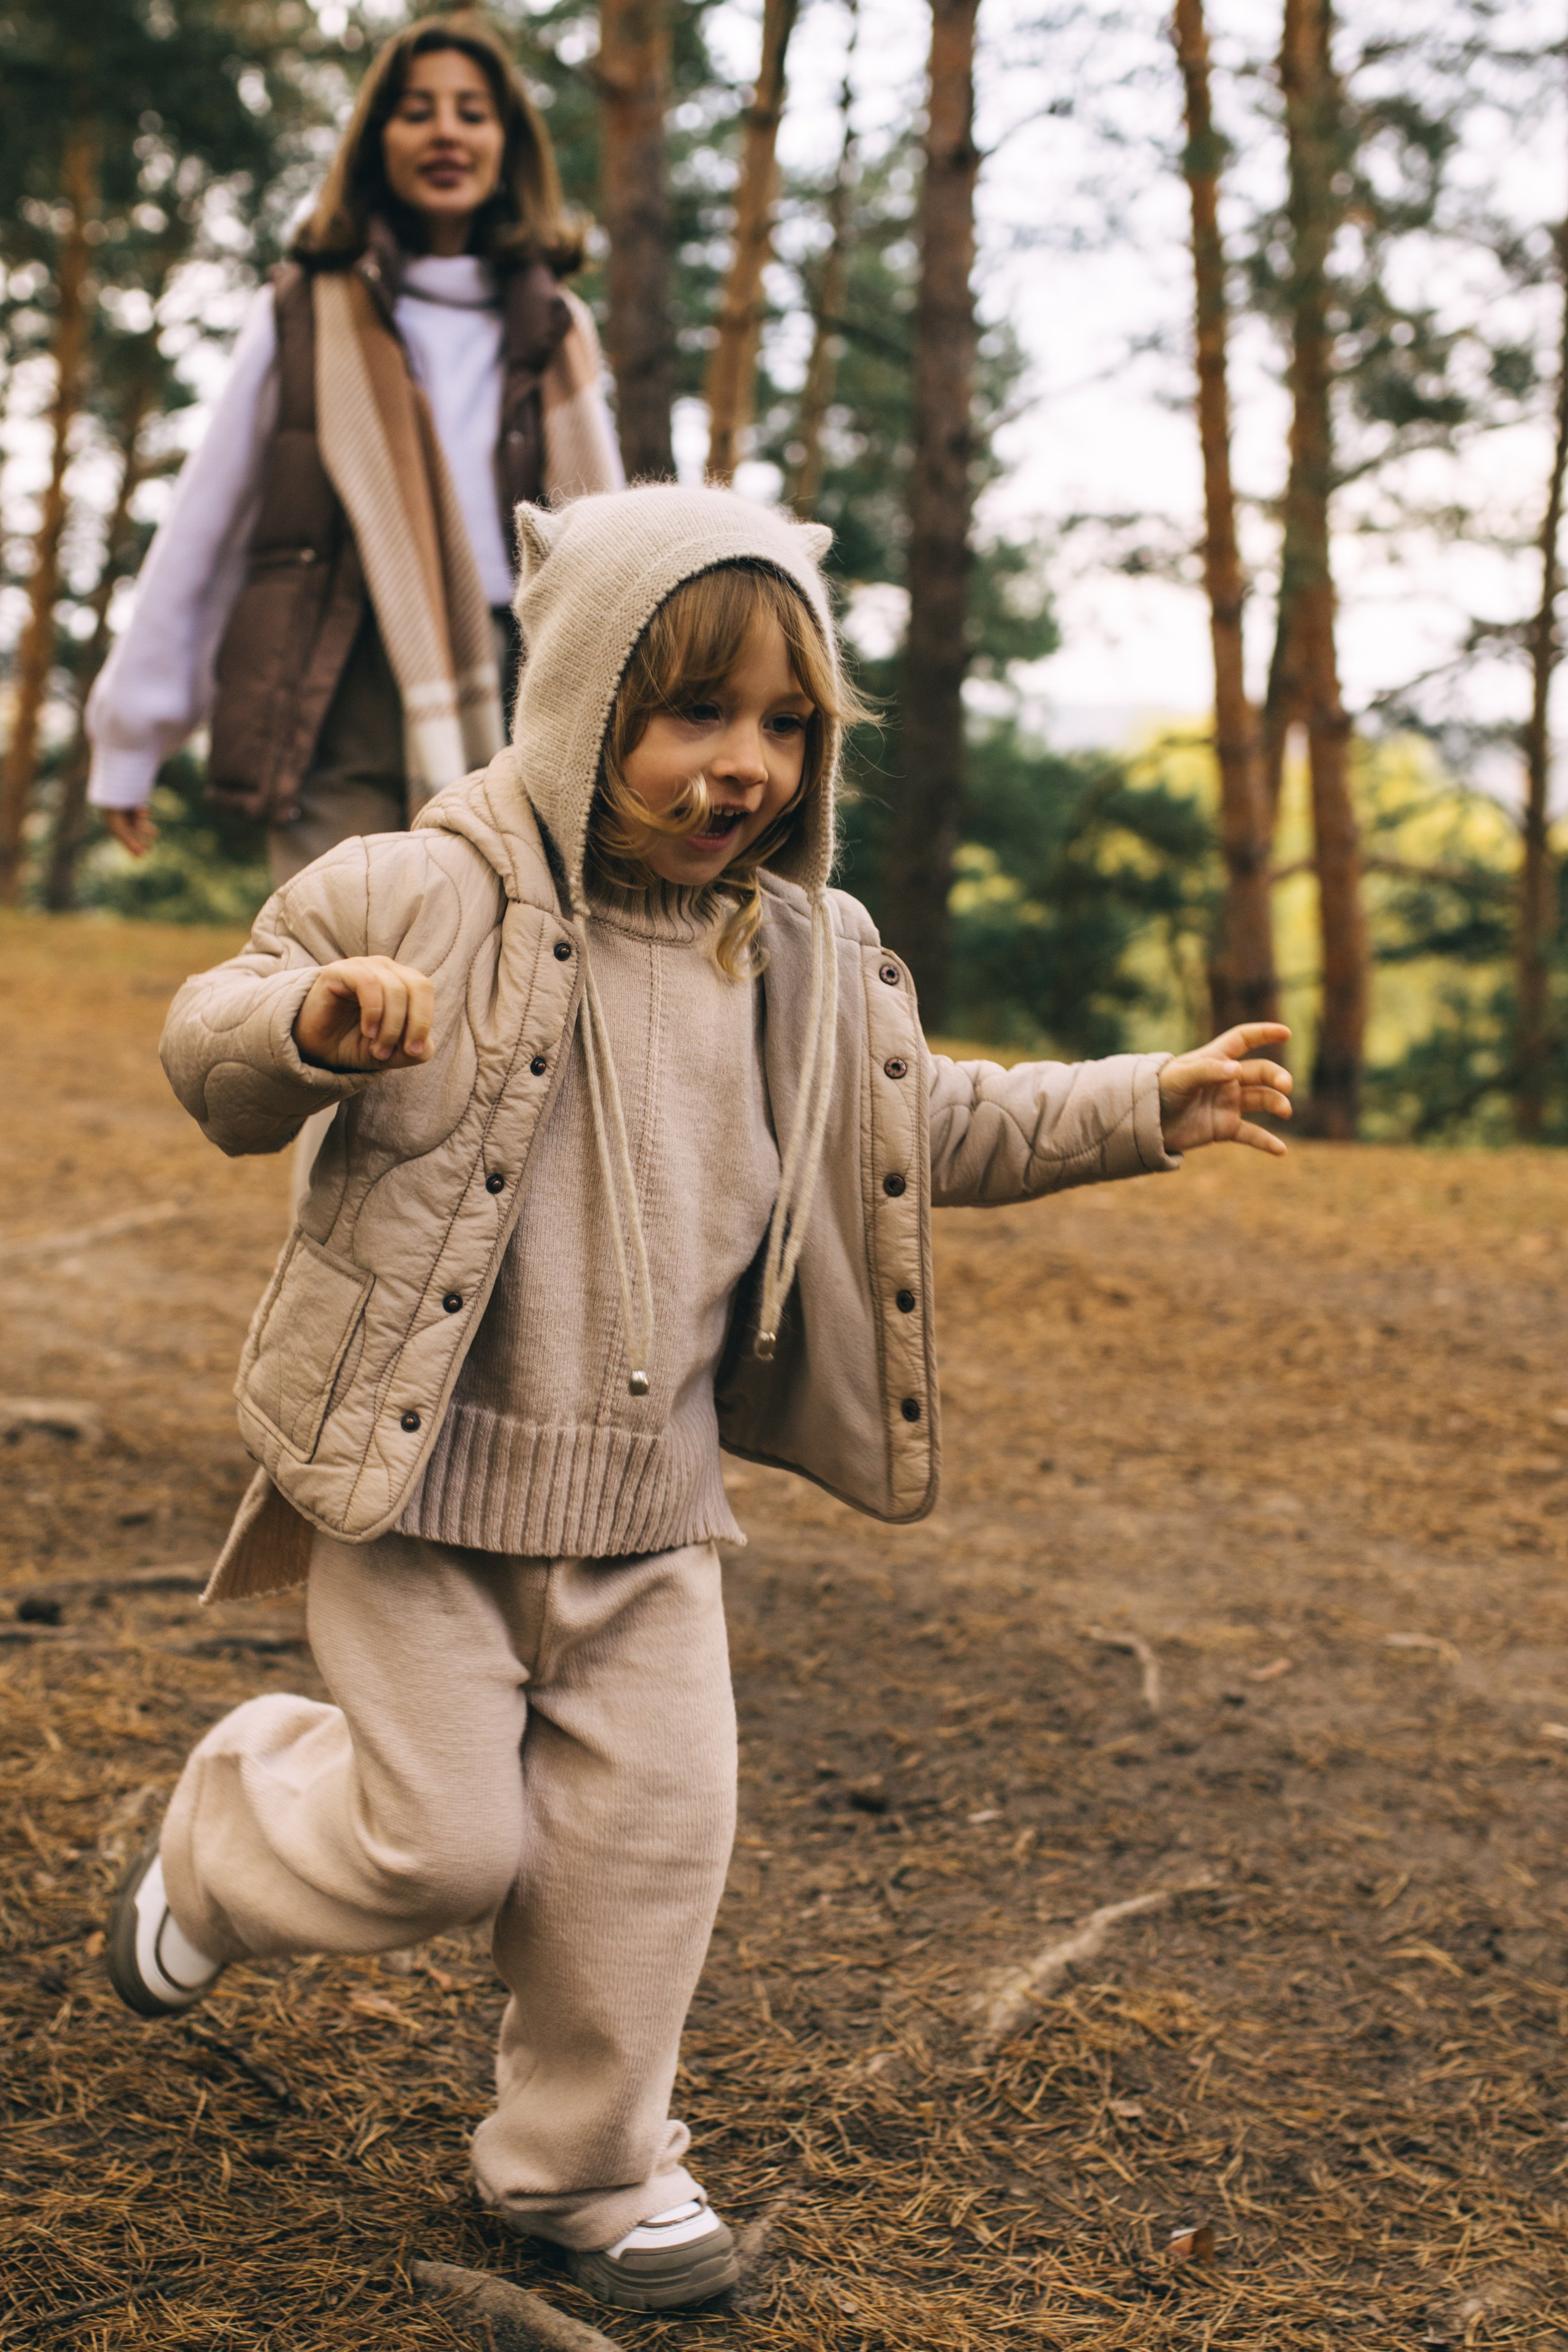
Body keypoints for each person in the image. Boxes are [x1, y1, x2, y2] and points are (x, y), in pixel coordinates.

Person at [105, 484, 1293, 2315]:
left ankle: (581, 2173)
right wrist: (310, 1023)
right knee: (444, 1846)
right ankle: (228, 1830)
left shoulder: (798, 956)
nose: (741, 765)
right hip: (417, 1502)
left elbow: (933, 1122)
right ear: (584, 701)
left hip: (651, 1518)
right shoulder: (424, 891)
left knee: (642, 1863)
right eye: (692, 713)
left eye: (786, 724)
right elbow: (216, 1030)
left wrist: (1144, 1102)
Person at [86, 10, 623, 889]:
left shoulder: (556, 328)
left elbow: (607, 535)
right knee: (333, 944)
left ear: (507, 146)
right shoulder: (302, 311)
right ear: (376, 141)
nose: (445, 130)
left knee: (497, 954)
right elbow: (207, 525)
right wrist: (132, 736)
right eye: (415, 110)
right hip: (334, 666)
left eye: (471, 111)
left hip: (519, 667)